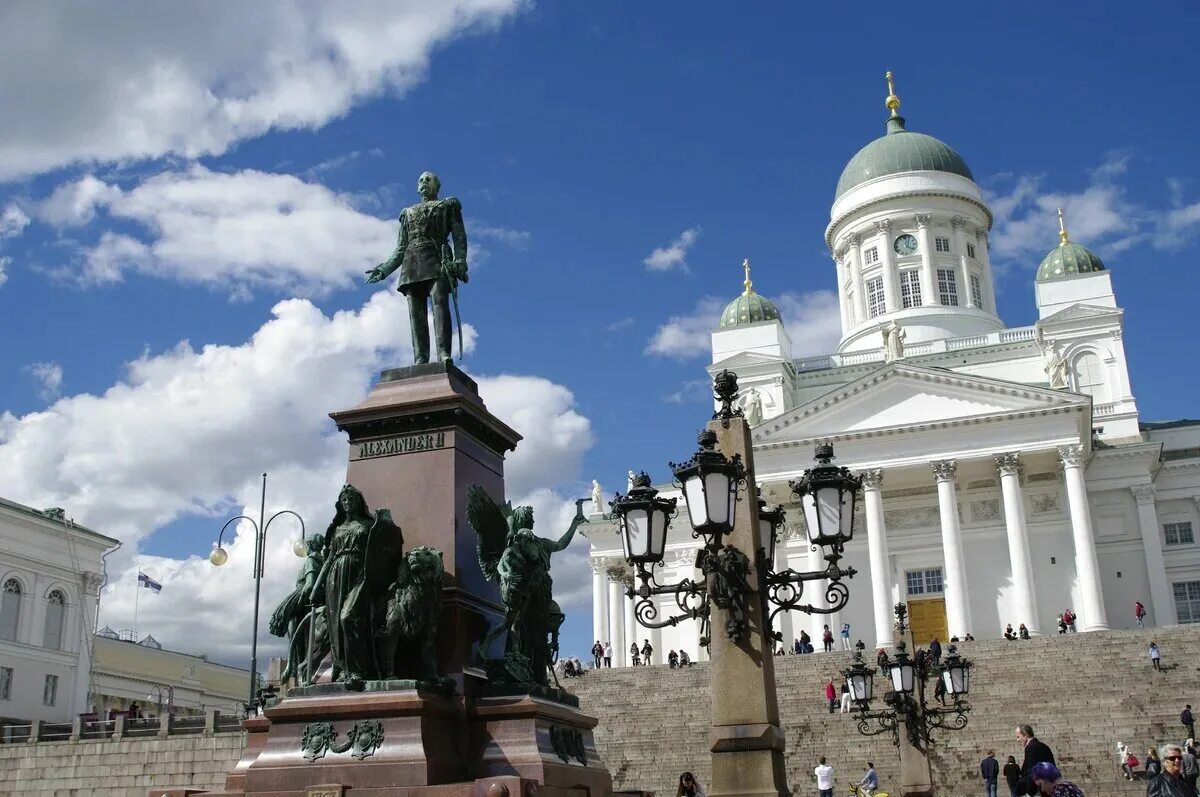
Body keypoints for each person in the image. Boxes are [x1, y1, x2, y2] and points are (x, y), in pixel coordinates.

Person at [366, 171, 469, 365]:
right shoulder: (408, 213)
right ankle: (420, 357)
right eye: (421, 180)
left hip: (437, 261)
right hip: (411, 264)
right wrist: (384, 270)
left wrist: (460, 261)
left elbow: (459, 236)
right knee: (416, 315)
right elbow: (401, 247)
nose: (424, 183)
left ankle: (443, 354)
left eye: (428, 180)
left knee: (440, 308)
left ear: (436, 186)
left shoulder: (447, 206)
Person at [1016, 724, 1056, 796]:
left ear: (1025, 735)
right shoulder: (1043, 746)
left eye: (1018, 737)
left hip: (1038, 790)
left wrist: (1030, 791)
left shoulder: (1030, 748)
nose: (1017, 740)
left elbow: (1031, 771)